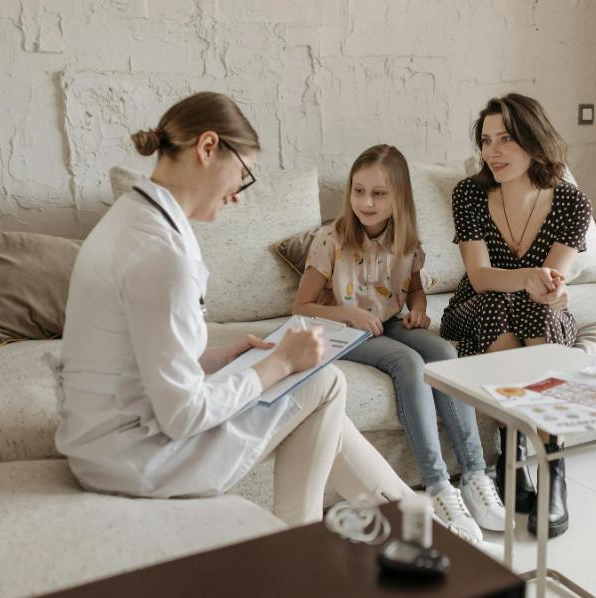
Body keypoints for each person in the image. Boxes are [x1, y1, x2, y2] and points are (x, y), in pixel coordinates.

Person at [52, 92, 412, 527]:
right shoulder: (161, 255)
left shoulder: (131, 217)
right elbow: (184, 415)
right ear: (207, 148)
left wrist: (219, 359)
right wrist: (278, 363)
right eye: (243, 174)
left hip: (104, 442)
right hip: (138, 458)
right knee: (324, 381)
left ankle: (411, 517)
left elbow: (135, 359)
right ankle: (318, 538)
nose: (239, 196)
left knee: (316, 391)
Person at [292, 144, 505, 544]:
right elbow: (301, 307)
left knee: (444, 352)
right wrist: (350, 314)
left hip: (388, 323)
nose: (366, 202)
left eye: (379, 193)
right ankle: (438, 485)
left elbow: (415, 291)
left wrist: (419, 310)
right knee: (408, 363)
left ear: (399, 197)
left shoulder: (406, 240)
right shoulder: (330, 239)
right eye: (359, 191)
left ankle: (476, 475)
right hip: (341, 330)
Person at [439, 94, 592, 538]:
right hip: (476, 308)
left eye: (505, 139)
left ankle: (549, 466)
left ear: (533, 139)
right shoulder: (469, 194)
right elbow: (480, 277)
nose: (493, 151)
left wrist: (553, 292)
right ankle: (514, 445)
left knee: (536, 311)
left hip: (539, 314)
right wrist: (528, 277)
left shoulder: (571, 202)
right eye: (486, 141)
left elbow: (553, 282)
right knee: (497, 302)